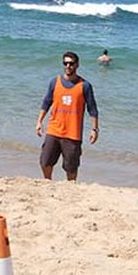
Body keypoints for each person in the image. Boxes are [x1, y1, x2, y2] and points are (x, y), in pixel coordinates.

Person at [34, 52, 100, 181]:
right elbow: (46, 102)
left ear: (77, 65)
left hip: (72, 133)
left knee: (71, 167)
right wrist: (39, 121)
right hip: (54, 130)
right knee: (45, 161)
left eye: (71, 63)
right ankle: (48, 182)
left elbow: (92, 109)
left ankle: (70, 187)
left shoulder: (85, 86)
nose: (68, 66)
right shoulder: (55, 82)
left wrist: (94, 129)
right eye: (65, 63)